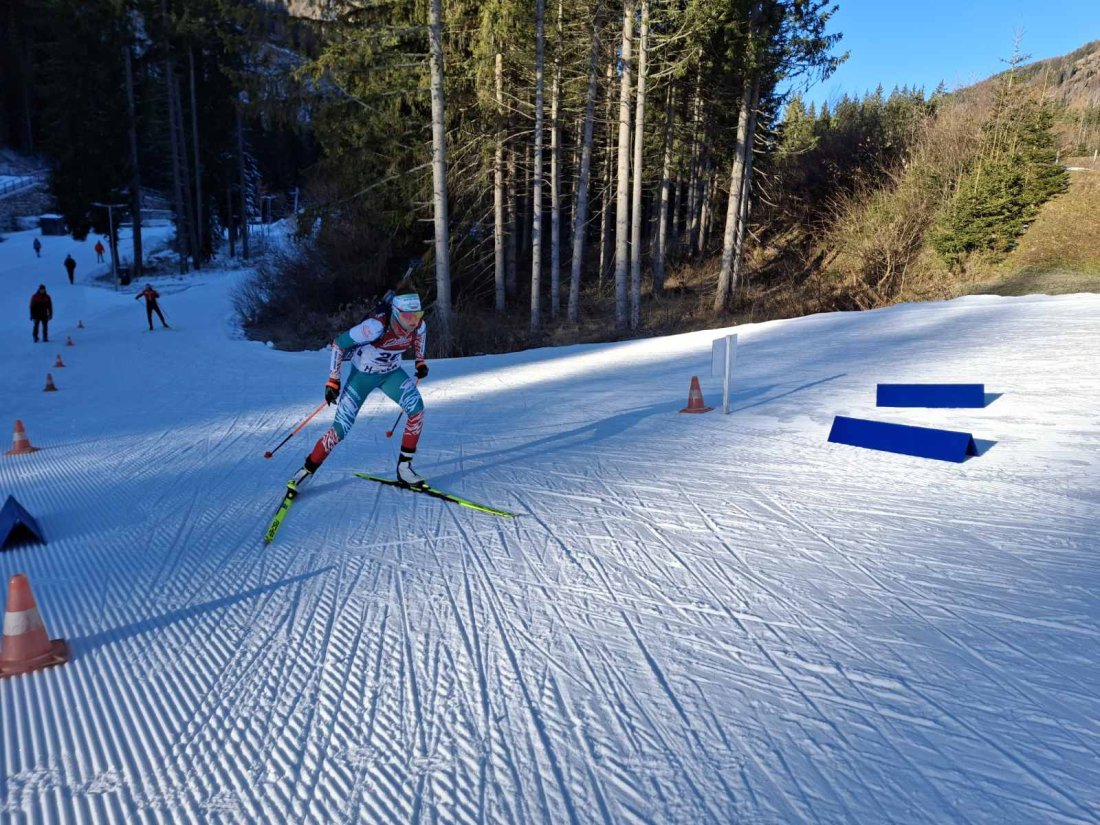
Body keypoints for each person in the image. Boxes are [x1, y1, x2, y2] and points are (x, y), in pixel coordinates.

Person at [289, 284, 429, 491]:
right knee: (341, 429)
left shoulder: (419, 326)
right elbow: (339, 344)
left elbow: (420, 339)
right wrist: (333, 380)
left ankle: (404, 469)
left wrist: (420, 361)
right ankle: (306, 471)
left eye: (417, 315)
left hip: (390, 374)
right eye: (409, 317)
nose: (413, 321)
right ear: (397, 313)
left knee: (417, 410)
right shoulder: (375, 327)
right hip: (362, 378)